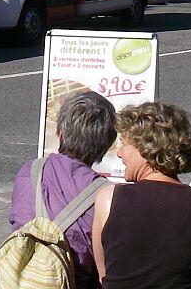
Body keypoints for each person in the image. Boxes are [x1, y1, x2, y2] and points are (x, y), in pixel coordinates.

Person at [92, 102, 191, 289]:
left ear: (146, 148)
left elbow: (104, 276)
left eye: (124, 143)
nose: (120, 154)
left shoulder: (108, 200)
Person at [9, 91, 117, 289]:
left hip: (19, 279)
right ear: (106, 145)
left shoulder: (31, 171)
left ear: (60, 134)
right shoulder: (106, 197)